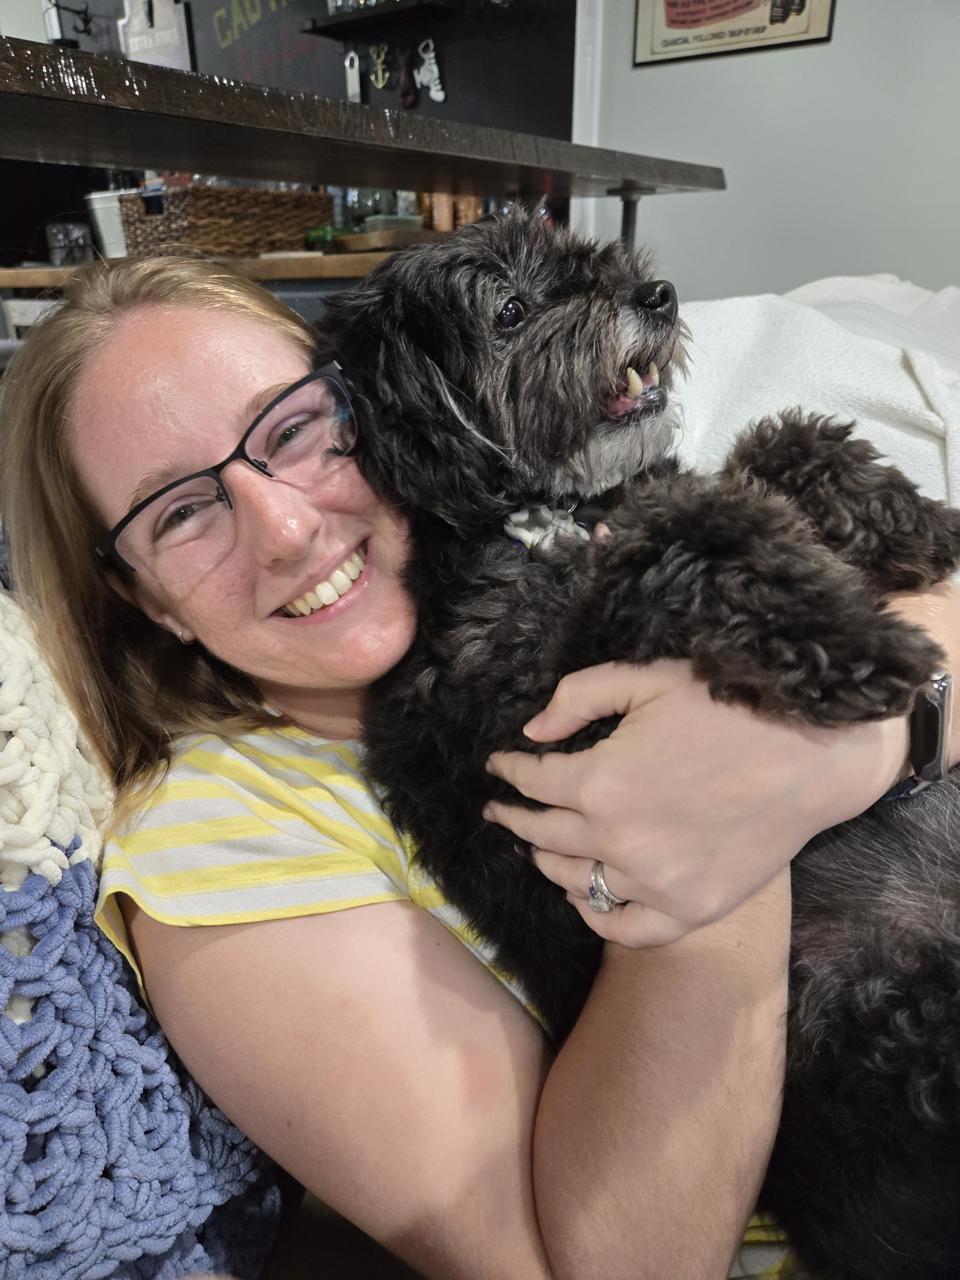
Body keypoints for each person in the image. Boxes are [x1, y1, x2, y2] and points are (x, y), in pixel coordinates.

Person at [2, 255, 957, 1280]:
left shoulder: (552, 528)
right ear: (144, 597)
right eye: (182, 513)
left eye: (293, 429)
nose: (284, 528)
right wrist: (708, 830)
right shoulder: (220, 838)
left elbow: (919, 615)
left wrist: (847, 745)